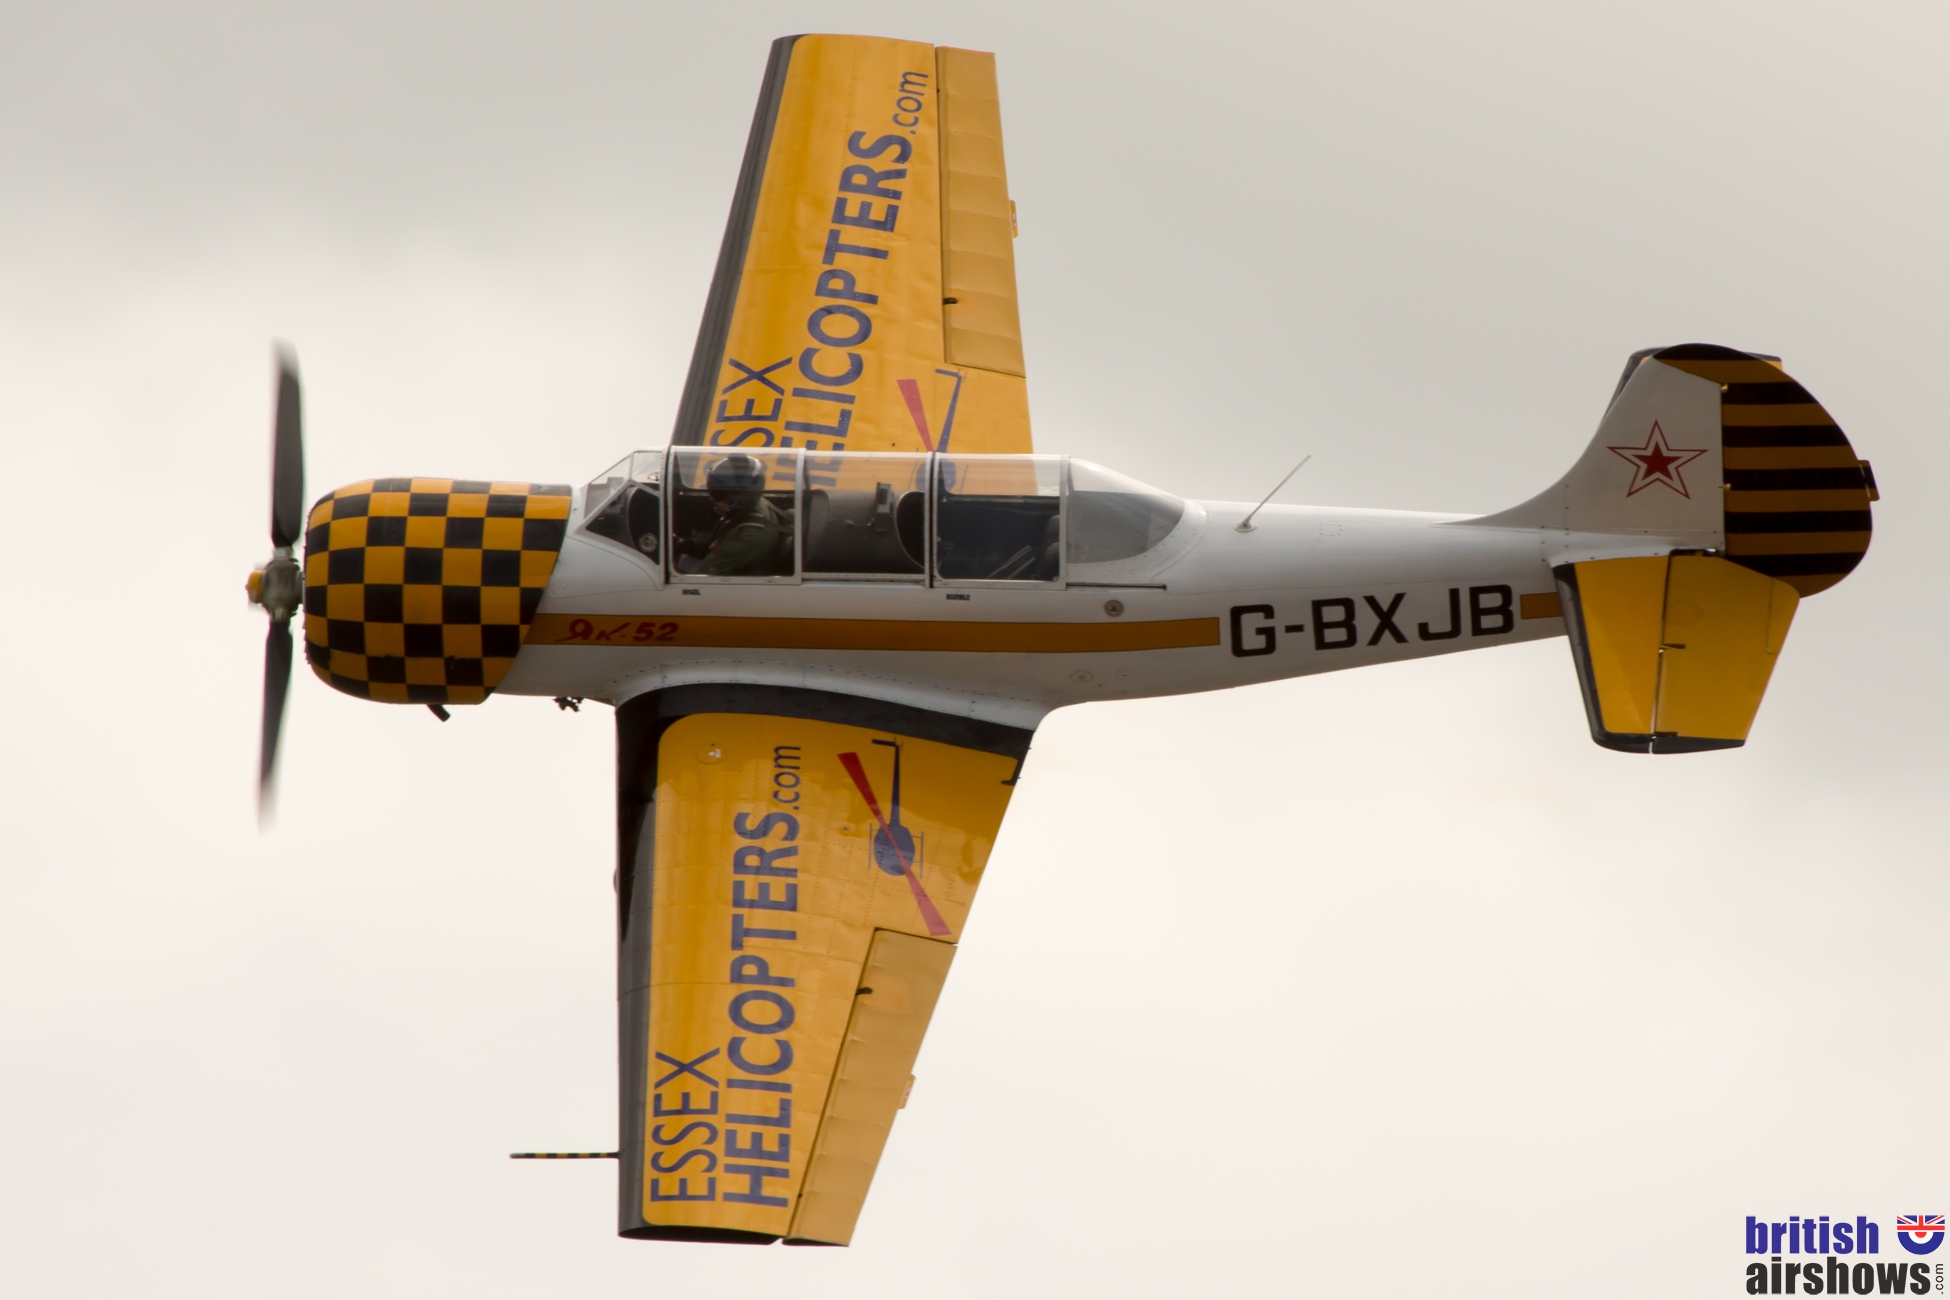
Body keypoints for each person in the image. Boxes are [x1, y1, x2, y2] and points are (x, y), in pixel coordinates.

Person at [678, 454, 789, 576]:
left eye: (716, 494)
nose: (711, 498)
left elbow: (703, 577)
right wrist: (685, 544)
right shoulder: (751, 506)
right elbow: (718, 536)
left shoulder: (747, 537)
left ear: (736, 500)